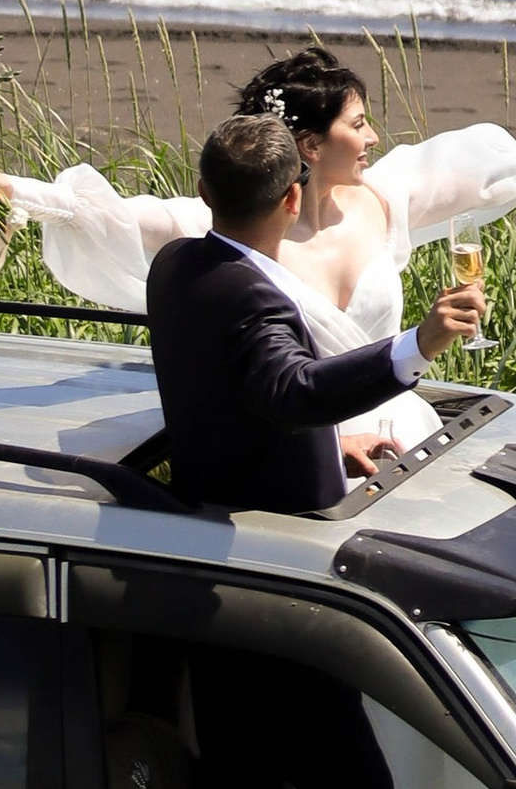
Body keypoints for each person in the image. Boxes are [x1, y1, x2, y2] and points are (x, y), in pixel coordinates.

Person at [0, 46, 516, 457]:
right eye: (357, 124)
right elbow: (103, 215)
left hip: (397, 422)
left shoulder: (384, 201)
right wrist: (1, 189)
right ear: (309, 145)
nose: (373, 137)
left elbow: (496, 177)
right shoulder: (231, 231)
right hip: (293, 442)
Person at [143, 109, 480, 516]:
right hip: (280, 522)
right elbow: (296, 390)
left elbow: (229, 390)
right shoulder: (252, 295)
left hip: (214, 487)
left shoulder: (173, 261)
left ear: (204, 192)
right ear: (292, 198)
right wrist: (421, 343)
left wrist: (330, 447)